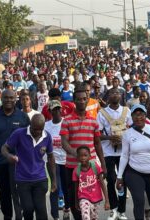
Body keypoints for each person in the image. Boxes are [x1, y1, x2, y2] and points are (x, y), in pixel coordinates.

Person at [60, 89, 107, 220]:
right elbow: (64, 142)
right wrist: (76, 153)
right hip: (72, 166)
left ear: (87, 100)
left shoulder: (93, 121)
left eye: (84, 99)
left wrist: (103, 164)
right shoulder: (67, 121)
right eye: (78, 99)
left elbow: (97, 144)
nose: (81, 101)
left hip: (90, 167)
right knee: (73, 197)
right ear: (74, 101)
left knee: (90, 197)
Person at [0, 89, 30, 220]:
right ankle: (7, 216)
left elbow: (29, 140)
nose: (8, 100)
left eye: (11, 98)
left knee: (19, 191)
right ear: (1, 99)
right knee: (4, 192)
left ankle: (19, 216)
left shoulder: (23, 117)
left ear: (16, 99)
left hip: (19, 162)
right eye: (6, 98)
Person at [1, 114, 56, 220]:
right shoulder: (19, 133)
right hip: (23, 179)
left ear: (43, 127)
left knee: (41, 209)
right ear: (30, 124)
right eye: (34, 129)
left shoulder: (47, 136)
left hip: (40, 178)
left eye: (39, 130)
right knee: (28, 209)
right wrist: (9, 156)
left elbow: (51, 158)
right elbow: (4, 147)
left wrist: (53, 180)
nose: (36, 132)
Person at [97, 88, 132, 220]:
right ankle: (113, 209)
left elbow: (133, 128)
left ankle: (122, 210)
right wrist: (110, 138)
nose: (115, 95)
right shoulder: (102, 113)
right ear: (108, 96)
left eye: (117, 93)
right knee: (111, 180)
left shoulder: (126, 111)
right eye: (112, 93)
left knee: (123, 180)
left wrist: (124, 136)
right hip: (108, 152)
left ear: (121, 96)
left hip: (124, 151)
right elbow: (98, 135)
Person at [44, 100, 69, 220]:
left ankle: (67, 209)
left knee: (67, 187)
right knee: (54, 187)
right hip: (52, 160)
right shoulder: (46, 126)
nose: (57, 111)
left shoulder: (66, 122)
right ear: (50, 111)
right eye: (54, 109)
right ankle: (55, 216)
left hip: (66, 160)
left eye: (59, 108)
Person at [72, 146, 110, 219]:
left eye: (85, 155)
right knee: (85, 216)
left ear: (90, 156)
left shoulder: (95, 167)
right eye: (80, 156)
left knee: (93, 218)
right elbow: (76, 187)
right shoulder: (76, 171)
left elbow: (102, 183)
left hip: (96, 197)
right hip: (83, 197)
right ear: (77, 157)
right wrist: (76, 202)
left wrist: (107, 200)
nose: (83, 158)